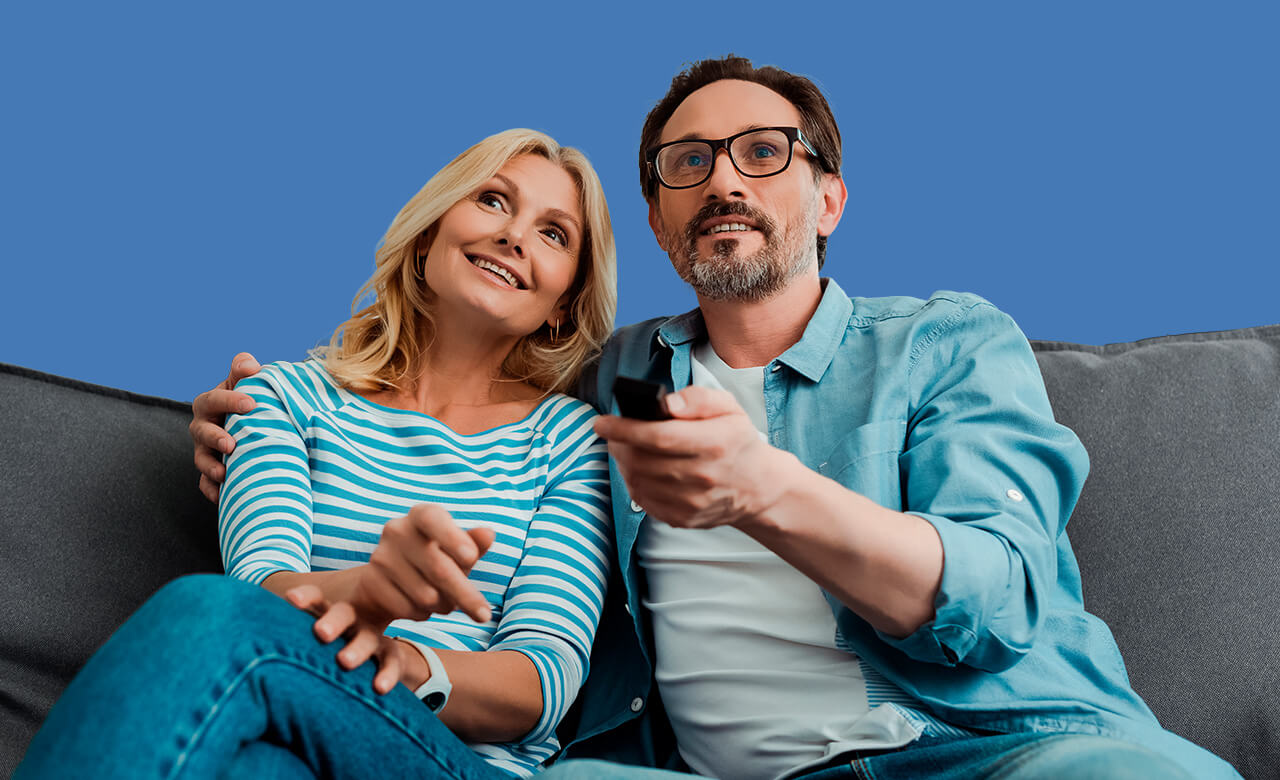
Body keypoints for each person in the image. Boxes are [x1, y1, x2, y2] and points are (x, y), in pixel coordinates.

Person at [190, 58, 1240, 779]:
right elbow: (446, 410)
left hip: (984, 754)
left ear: (828, 198)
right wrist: (252, 427)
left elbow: (998, 594)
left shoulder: (944, 343)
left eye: (762, 152)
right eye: (687, 162)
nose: (722, 179)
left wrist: (763, 489)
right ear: (654, 218)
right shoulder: (605, 386)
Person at [17, 128, 618, 779]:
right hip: (291, 725)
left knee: (202, 609)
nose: (516, 235)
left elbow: (542, 682)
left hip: (453, 761)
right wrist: (365, 592)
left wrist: (409, 664)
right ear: (427, 236)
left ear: (563, 304)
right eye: (493, 200)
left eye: (554, 234)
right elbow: (260, 592)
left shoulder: (572, 442)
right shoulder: (279, 398)